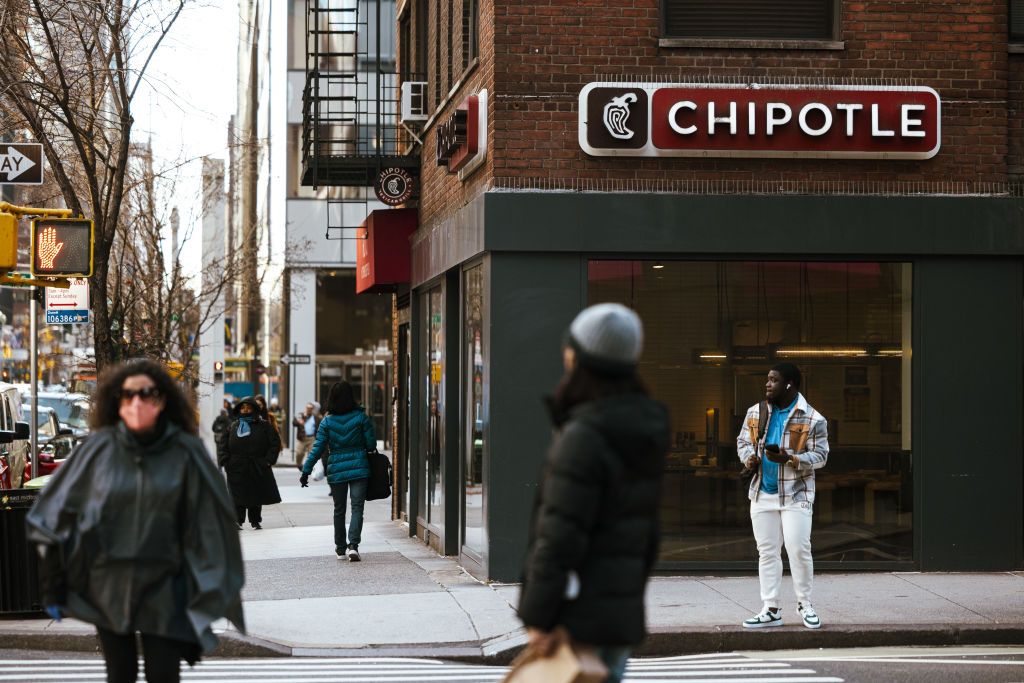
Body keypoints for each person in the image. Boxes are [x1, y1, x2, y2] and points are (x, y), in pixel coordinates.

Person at [25, 360, 244, 683]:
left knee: (163, 676)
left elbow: (212, 524)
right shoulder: (99, 449)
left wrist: (203, 600)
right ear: (117, 400)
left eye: (147, 394)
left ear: (162, 399)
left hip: (167, 586)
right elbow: (53, 514)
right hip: (109, 584)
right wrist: (53, 583)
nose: (137, 403)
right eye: (128, 395)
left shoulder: (186, 452)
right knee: (120, 674)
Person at [517, 303, 669, 683]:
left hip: (576, 618)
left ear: (579, 357)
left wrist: (539, 617)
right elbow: (647, 536)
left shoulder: (585, 436)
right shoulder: (642, 429)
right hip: (617, 617)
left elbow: (559, 536)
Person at [737, 363, 829, 630]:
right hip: (761, 492)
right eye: (767, 379)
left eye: (773, 380)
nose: (767, 384)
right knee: (767, 553)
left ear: (789, 384)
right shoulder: (756, 412)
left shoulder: (813, 418)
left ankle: (805, 604)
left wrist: (790, 459)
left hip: (795, 493)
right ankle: (771, 608)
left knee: (799, 550)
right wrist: (749, 458)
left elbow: (821, 456)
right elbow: (743, 441)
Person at [299, 381, 374, 561]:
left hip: (336, 467)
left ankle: (340, 548)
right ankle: (353, 545)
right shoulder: (361, 417)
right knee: (357, 508)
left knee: (339, 509)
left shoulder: (327, 421)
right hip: (359, 466)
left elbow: (317, 448)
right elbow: (371, 444)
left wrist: (306, 471)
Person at [219, 396, 282, 530]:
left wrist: (267, 461)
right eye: (242, 407)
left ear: (254, 409)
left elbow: (275, 444)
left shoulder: (264, 425)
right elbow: (223, 445)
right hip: (236, 466)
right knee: (237, 495)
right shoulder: (233, 426)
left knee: (255, 494)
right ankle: (237, 520)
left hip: (257, 464)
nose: (245, 410)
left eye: (248, 407)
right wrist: (226, 461)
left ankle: (255, 520)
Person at [253, 394, 282, 464]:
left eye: (260, 405)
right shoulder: (249, 417)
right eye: (256, 404)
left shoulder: (270, 417)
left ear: (263, 405)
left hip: (265, 453)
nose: (258, 407)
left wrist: (270, 459)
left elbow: (275, 438)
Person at [292, 402, 319, 468]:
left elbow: (319, 426)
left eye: (310, 408)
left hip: (312, 438)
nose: (309, 410)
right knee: (299, 453)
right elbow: (294, 423)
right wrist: (298, 422)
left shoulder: (315, 417)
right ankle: (299, 464)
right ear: (306, 408)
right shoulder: (301, 415)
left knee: (311, 454)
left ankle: (309, 467)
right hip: (302, 438)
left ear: (312, 409)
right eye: (308, 408)